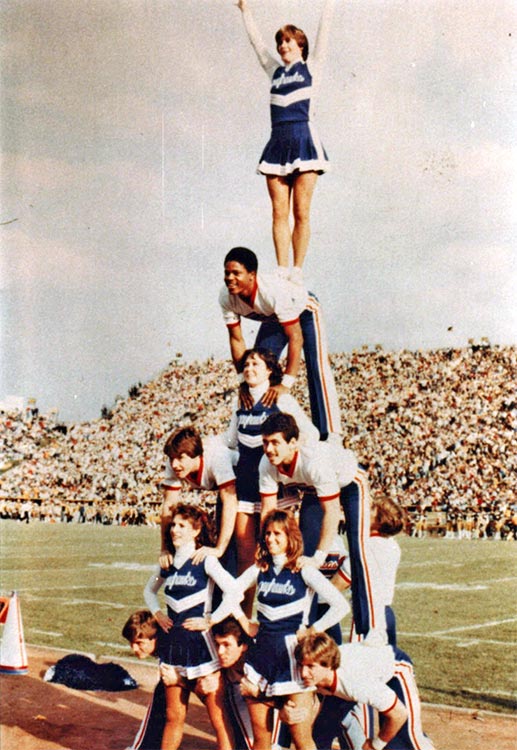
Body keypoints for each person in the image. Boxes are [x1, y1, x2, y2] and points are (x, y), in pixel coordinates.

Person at [219, 509, 350, 750]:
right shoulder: (260, 569)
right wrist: (244, 621)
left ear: (291, 536)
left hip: (294, 660)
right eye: (267, 533)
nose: (271, 538)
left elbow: (341, 606)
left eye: (277, 533)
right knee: (261, 738)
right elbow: (231, 593)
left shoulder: (305, 570)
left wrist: (313, 629)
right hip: (261, 658)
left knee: (301, 739)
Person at [258, 412, 379, 648]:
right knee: (300, 558)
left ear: (293, 443)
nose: (269, 449)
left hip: (349, 482)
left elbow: (332, 511)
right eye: (265, 442)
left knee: (360, 550)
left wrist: (320, 557)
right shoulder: (267, 464)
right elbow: (269, 513)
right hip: (315, 490)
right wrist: (265, 550)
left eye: (275, 443)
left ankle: (370, 629)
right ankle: (308, 628)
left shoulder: (314, 460)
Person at [235, 0, 335, 277]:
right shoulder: (274, 72)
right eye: (280, 43)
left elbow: (323, 32)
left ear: (300, 45)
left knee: (301, 211)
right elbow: (257, 46)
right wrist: (246, 12)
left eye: (288, 41)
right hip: (278, 144)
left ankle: (297, 271)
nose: (282, 46)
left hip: (304, 140)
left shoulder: (312, 67)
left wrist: (329, 4)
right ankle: (281, 269)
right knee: (279, 213)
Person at [223, 346, 319, 614]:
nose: (250, 369)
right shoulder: (239, 400)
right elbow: (231, 439)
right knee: (247, 559)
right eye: (247, 365)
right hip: (245, 484)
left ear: (269, 370)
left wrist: (290, 463)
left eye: (256, 364)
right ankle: (241, 621)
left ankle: (281, 615)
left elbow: (307, 433)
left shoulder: (282, 399)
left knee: (280, 554)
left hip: (275, 486)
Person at [220, 246, 342, 441]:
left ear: (252, 275)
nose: (230, 278)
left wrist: (286, 383)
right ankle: (268, 429)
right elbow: (236, 339)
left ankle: (330, 434)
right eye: (227, 273)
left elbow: (296, 337)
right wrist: (242, 380)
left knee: (316, 366)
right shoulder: (226, 297)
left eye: (236, 273)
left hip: (304, 311)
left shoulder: (272, 291)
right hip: (274, 318)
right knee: (259, 369)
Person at [143, 504, 238, 750]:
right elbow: (149, 590)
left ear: (196, 530)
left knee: (218, 718)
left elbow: (234, 591)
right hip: (173, 647)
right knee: (174, 717)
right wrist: (157, 614)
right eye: (173, 525)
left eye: (182, 526)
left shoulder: (205, 560)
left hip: (201, 646)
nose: (174, 530)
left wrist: (212, 619)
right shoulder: (167, 563)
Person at [290, 632, 435, 750]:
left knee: (406, 737)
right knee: (320, 735)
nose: (303, 673)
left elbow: (398, 714)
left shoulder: (354, 682)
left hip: (394, 669)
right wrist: (285, 711)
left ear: (328, 665)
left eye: (310, 666)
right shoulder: (312, 674)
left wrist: (376, 745)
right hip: (344, 678)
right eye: (302, 666)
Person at [160, 426, 238, 571]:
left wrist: (220, 548)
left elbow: (230, 501)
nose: (174, 464)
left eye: (180, 458)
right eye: (171, 459)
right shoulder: (174, 462)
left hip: (246, 482)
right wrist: (165, 549)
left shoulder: (216, 456)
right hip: (225, 491)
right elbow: (169, 505)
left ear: (195, 455)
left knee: (234, 549)